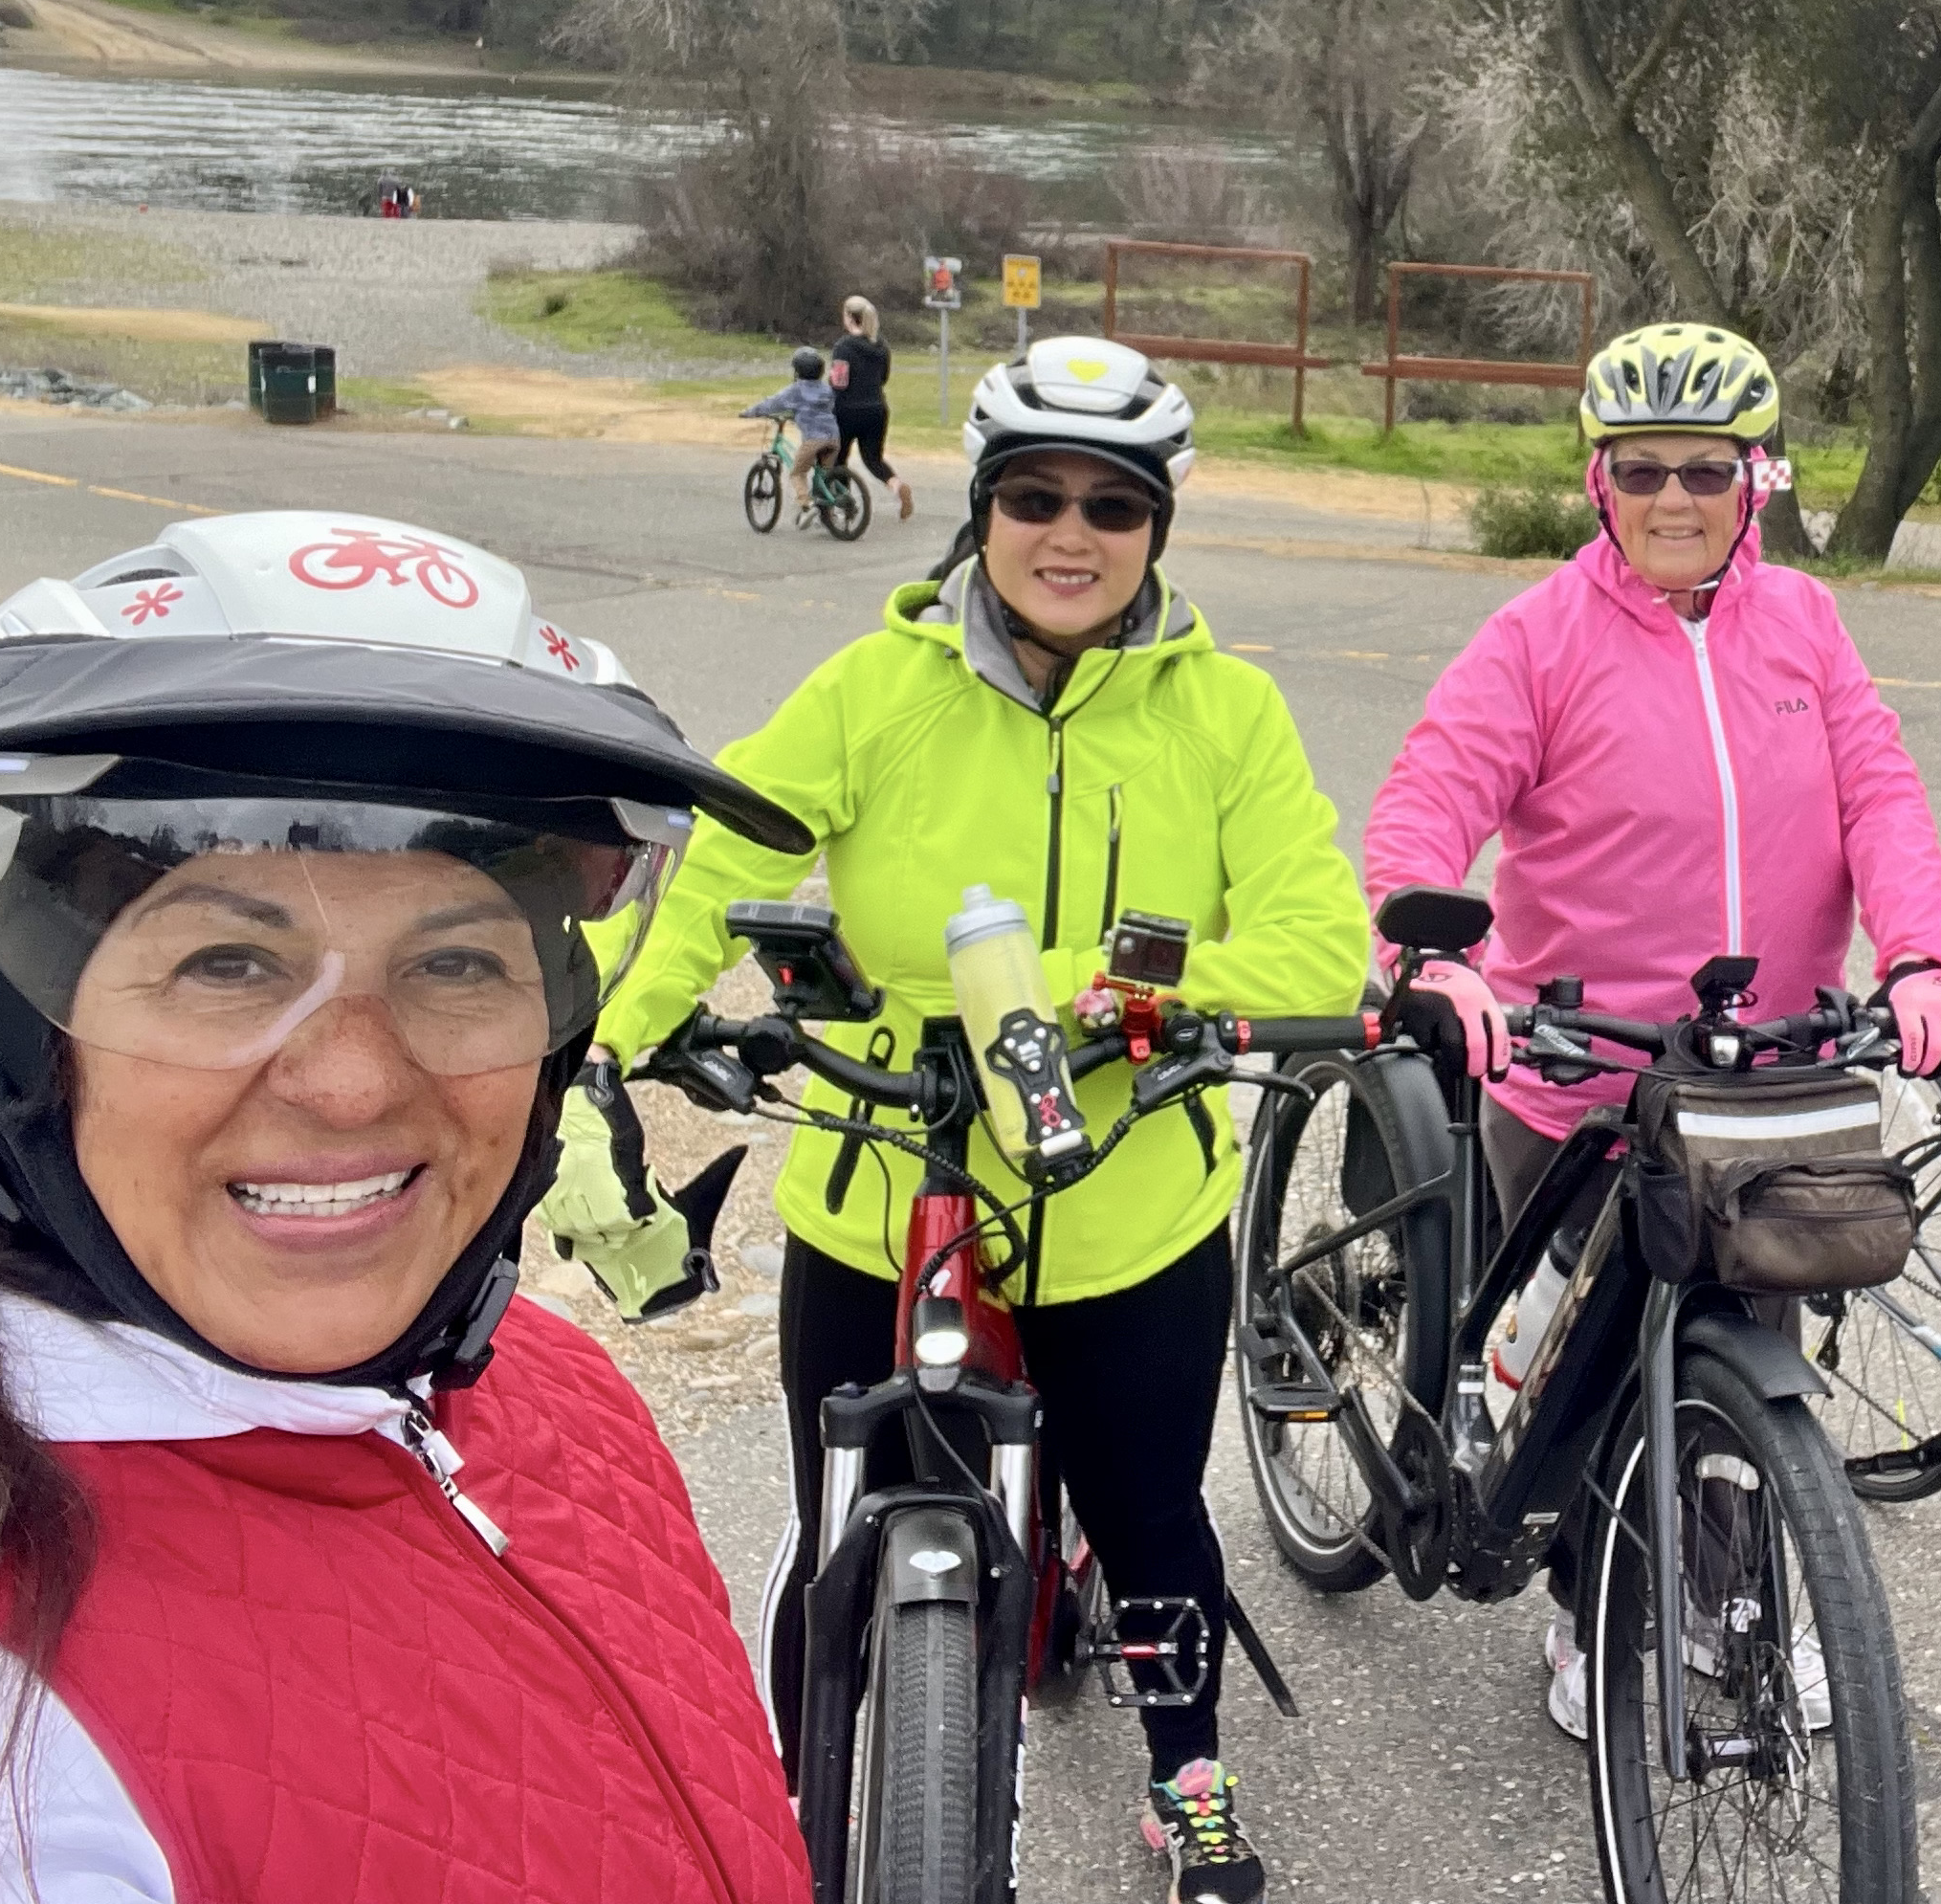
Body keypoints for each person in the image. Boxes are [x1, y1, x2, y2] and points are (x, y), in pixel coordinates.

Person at [0, 510, 815, 1902]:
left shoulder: (554, 1387)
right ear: (31, 1048)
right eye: (228, 964)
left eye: (458, 964)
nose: (353, 1083)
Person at [566, 333, 1366, 1902]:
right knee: (834, 1518)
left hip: (1126, 1196)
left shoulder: (1227, 714)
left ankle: (1186, 1768)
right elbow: (722, 862)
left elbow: (1316, 942)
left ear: (1156, 528)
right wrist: (605, 1040)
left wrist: (1091, 996)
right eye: (1034, 497)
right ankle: (794, 1796)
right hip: (887, 1178)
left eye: (1113, 506)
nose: (1071, 533)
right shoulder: (877, 690)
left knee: (1151, 1518)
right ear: (982, 509)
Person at [1360, 320, 1941, 1737]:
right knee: (1590, 1378)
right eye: (1643, 472)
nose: (1676, 499)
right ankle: (1588, 1609)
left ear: (1754, 481)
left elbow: (1879, 794)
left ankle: (1728, 1601)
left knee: (1752, 1346)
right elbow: (1428, 801)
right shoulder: (1538, 638)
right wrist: (1428, 957)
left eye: (1707, 470)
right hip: (1579, 1075)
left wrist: (1921, 954)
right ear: (1600, 482)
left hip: (1769, 1080)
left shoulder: (1805, 622)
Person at [828, 296, 911, 519]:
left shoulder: (843, 346)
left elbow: (839, 382)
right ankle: (896, 485)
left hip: (846, 410)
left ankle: (844, 504)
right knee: (873, 459)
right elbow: (883, 378)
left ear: (849, 317)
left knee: (838, 459)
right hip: (876, 409)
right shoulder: (881, 346)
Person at [744, 344, 842, 482]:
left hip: (813, 439)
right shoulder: (827, 390)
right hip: (834, 438)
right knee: (824, 473)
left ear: (797, 371)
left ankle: (805, 497)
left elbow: (773, 403)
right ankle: (827, 492)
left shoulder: (796, 390)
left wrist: (751, 412)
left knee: (798, 474)